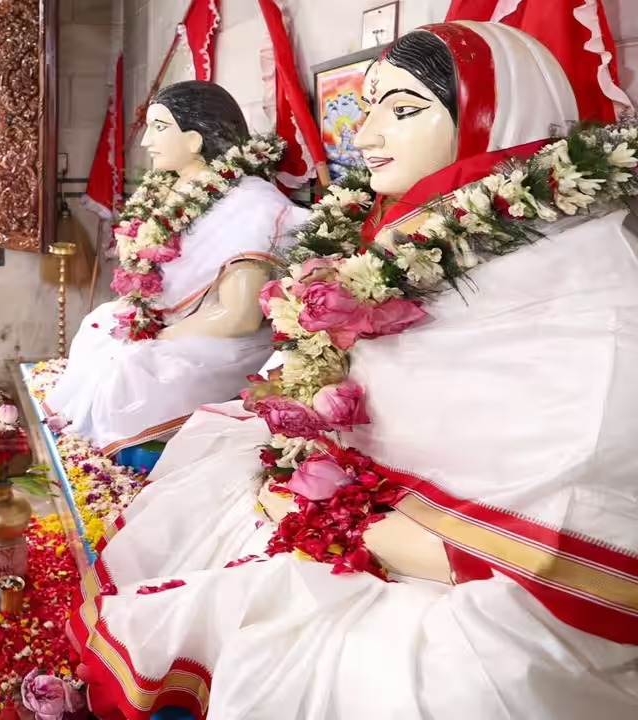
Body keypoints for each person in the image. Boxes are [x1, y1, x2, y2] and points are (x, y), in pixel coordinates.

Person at [67, 22, 638, 719]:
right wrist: (309, 484)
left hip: (470, 563)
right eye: (367, 108)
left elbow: (571, 509)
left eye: (403, 109)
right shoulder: (396, 235)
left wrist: (347, 525)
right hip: (347, 491)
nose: (364, 136)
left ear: (493, 119)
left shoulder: (581, 278)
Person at [43, 81, 309, 457]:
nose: (145, 141)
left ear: (195, 140)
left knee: (130, 369)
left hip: (226, 342)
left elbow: (240, 317)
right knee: (98, 327)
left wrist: (161, 335)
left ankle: (125, 455)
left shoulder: (250, 205)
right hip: (178, 323)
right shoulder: (176, 189)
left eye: (159, 127)